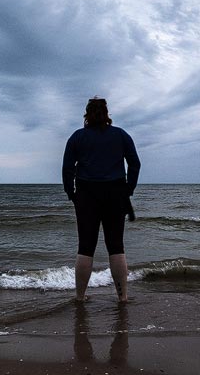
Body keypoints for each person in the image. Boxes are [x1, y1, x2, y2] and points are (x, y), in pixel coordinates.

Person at [62, 96, 141, 303]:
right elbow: (135, 164)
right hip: (116, 194)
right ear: (107, 114)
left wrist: (72, 194)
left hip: (86, 195)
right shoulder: (121, 135)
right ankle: (122, 297)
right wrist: (128, 190)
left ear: (87, 115)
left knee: (85, 247)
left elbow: (67, 169)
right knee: (116, 246)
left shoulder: (77, 138)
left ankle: (80, 297)